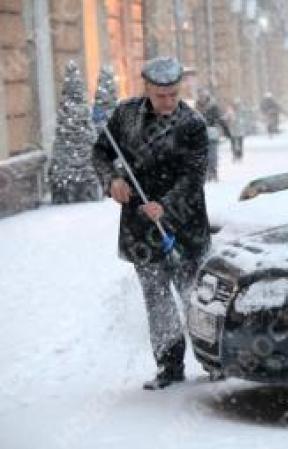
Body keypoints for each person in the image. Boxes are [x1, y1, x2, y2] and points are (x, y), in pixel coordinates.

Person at [92, 56, 211, 390]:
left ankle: (213, 362)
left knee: (196, 299)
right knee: (157, 300)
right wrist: (112, 179)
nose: (169, 102)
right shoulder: (125, 116)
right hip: (140, 229)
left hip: (185, 228)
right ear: (146, 88)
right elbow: (101, 152)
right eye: (162, 96)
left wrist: (167, 206)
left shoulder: (192, 124)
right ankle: (169, 367)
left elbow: (194, 176)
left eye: (174, 94)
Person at [195, 90, 232, 181]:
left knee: (212, 154)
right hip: (200, 135)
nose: (202, 98)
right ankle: (207, 172)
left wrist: (227, 132)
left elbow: (220, 120)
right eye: (200, 96)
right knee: (203, 155)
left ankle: (213, 171)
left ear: (207, 97)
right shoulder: (196, 107)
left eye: (203, 96)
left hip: (212, 133)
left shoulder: (213, 107)